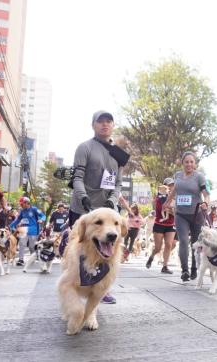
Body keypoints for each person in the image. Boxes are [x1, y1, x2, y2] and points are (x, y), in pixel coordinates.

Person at [69, 110, 129, 304]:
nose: (105, 125)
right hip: (83, 209)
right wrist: (84, 197)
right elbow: (77, 177)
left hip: (107, 210)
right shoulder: (84, 147)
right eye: (100, 121)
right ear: (93, 125)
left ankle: (102, 290)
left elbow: (118, 183)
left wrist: (112, 200)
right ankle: (74, 285)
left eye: (108, 122)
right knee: (80, 251)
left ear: (112, 126)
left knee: (107, 251)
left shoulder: (118, 154)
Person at [163, 152, 210, 282]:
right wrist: (167, 202)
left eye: (191, 162)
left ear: (195, 164)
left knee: (195, 243)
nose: (189, 164)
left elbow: (205, 193)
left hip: (196, 215)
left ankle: (195, 268)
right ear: (182, 163)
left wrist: (206, 202)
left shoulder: (199, 177)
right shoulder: (177, 175)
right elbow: (175, 190)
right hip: (180, 214)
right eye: (186, 162)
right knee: (183, 241)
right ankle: (184, 270)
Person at [147, 178, 175, 274]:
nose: (171, 187)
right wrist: (172, 210)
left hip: (171, 224)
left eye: (172, 185)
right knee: (158, 248)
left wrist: (173, 211)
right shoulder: (159, 198)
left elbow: (177, 211)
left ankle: (165, 266)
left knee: (169, 244)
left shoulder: (175, 197)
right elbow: (162, 209)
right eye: (169, 185)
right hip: (159, 224)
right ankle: (151, 256)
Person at [10, 197, 46, 266]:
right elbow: (17, 220)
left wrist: (41, 220)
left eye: (22, 204)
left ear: (27, 203)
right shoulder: (22, 211)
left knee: (31, 246)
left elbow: (43, 216)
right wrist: (10, 226)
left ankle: (34, 257)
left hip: (34, 231)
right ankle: (21, 260)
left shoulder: (34, 209)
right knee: (21, 243)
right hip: (24, 230)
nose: (21, 205)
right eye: (20, 204)